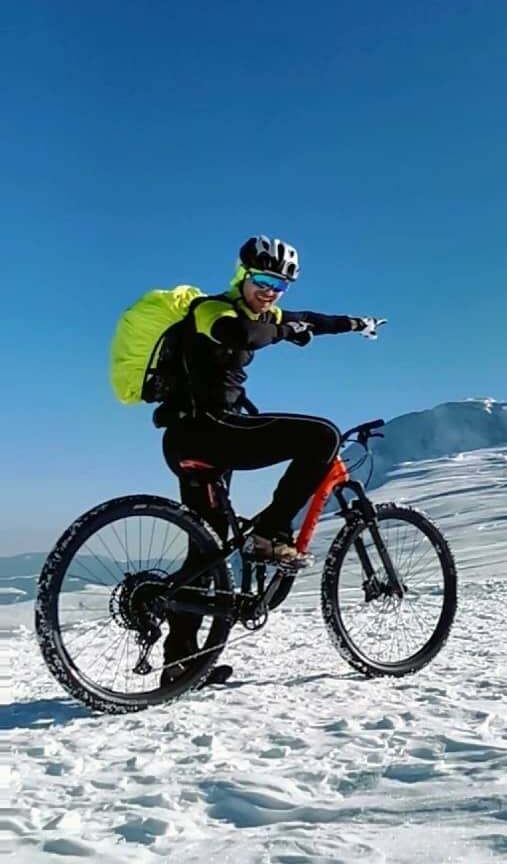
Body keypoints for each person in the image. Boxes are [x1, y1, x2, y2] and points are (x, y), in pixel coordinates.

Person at [156, 235, 384, 685]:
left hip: (199, 439)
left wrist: (356, 324)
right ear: (242, 275)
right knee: (322, 436)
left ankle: (180, 665)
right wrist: (284, 331)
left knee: (209, 546)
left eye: (279, 286)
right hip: (206, 432)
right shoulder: (211, 309)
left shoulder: (267, 313)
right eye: (262, 280)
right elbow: (242, 334)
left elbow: (310, 320)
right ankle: (271, 533)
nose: (270, 292)